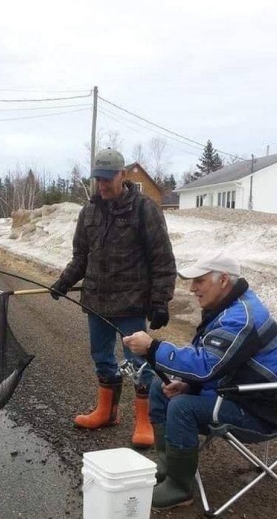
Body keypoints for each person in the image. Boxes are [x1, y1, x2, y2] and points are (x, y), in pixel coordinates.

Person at [123, 251, 277, 509]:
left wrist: (153, 347)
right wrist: (190, 385)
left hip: (259, 410)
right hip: (237, 392)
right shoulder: (227, 308)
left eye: (200, 281)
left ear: (223, 280)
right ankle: (168, 466)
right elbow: (222, 364)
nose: (192, 289)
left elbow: (206, 365)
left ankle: (180, 488)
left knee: (182, 407)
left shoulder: (241, 317)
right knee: (161, 387)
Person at [50, 148, 176, 448]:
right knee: (102, 358)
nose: (102, 185)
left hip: (132, 303)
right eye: (98, 179)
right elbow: (81, 257)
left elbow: (163, 259)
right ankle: (107, 412)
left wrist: (160, 301)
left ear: (123, 175)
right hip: (96, 302)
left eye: (108, 179)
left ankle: (144, 420)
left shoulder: (145, 209)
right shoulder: (89, 212)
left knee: (139, 362)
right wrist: (63, 283)